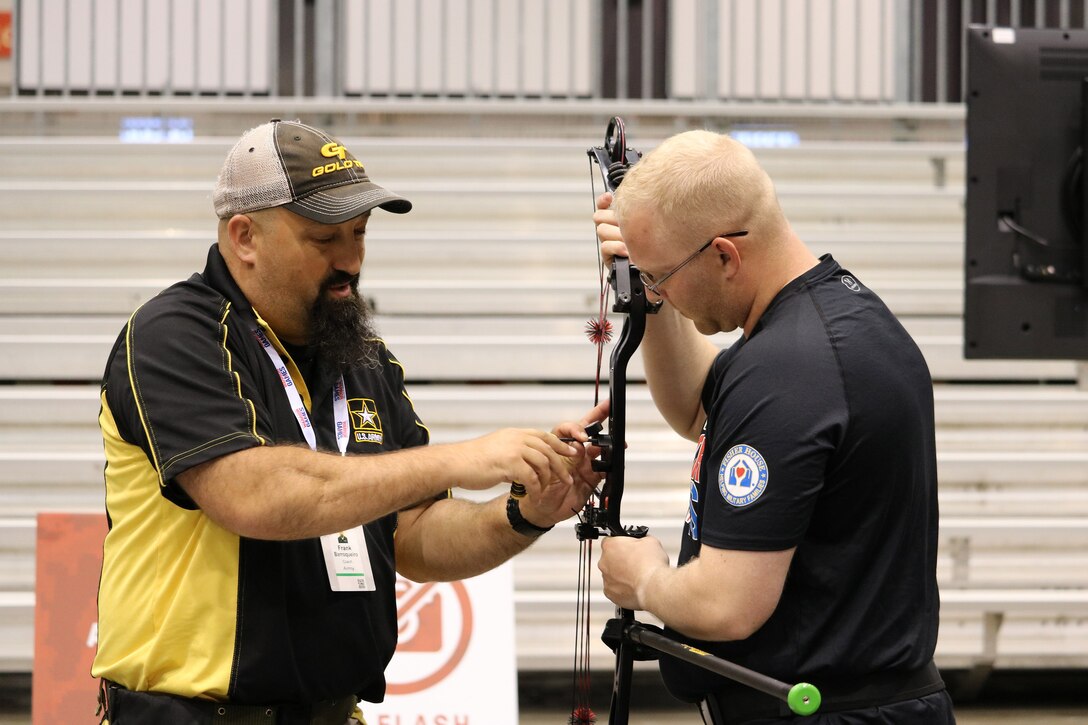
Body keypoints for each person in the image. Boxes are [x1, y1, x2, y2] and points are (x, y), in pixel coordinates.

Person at [92, 119, 603, 724]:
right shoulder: (174, 336)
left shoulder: (361, 356)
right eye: (324, 239)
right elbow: (254, 495)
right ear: (244, 235)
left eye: (360, 233)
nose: (352, 260)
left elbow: (412, 538)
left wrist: (526, 511)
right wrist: (460, 458)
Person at [593, 130, 955, 724]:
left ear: (724, 256)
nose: (655, 292)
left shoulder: (788, 371)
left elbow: (727, 604)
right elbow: (693, 408)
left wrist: (645, 581)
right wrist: (649, 288)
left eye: (660, 278)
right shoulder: (826, 321)